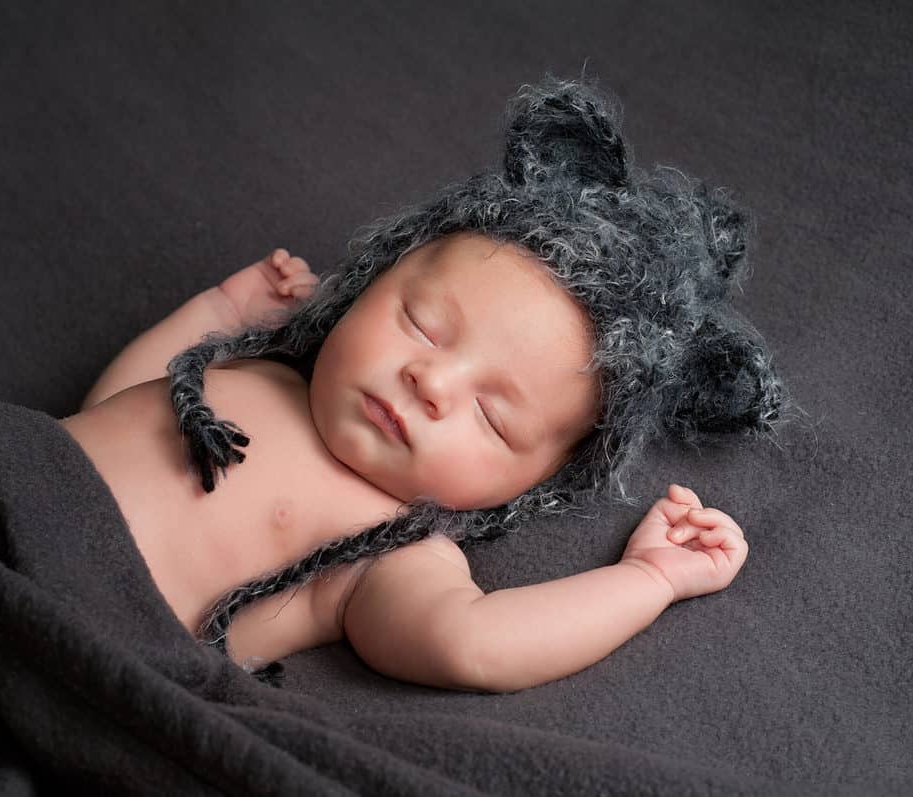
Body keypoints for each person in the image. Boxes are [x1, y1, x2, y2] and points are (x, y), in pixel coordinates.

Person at [63, 75, 791, 693]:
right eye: (421, 324)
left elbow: (474, 643)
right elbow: (112, 407)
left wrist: (647, 580)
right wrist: (218, 312)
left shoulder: (388, 550)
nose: (431, 380)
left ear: (532, 486)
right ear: (365, 286)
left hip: (69, 626)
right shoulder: (256, 369)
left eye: (493, 416)